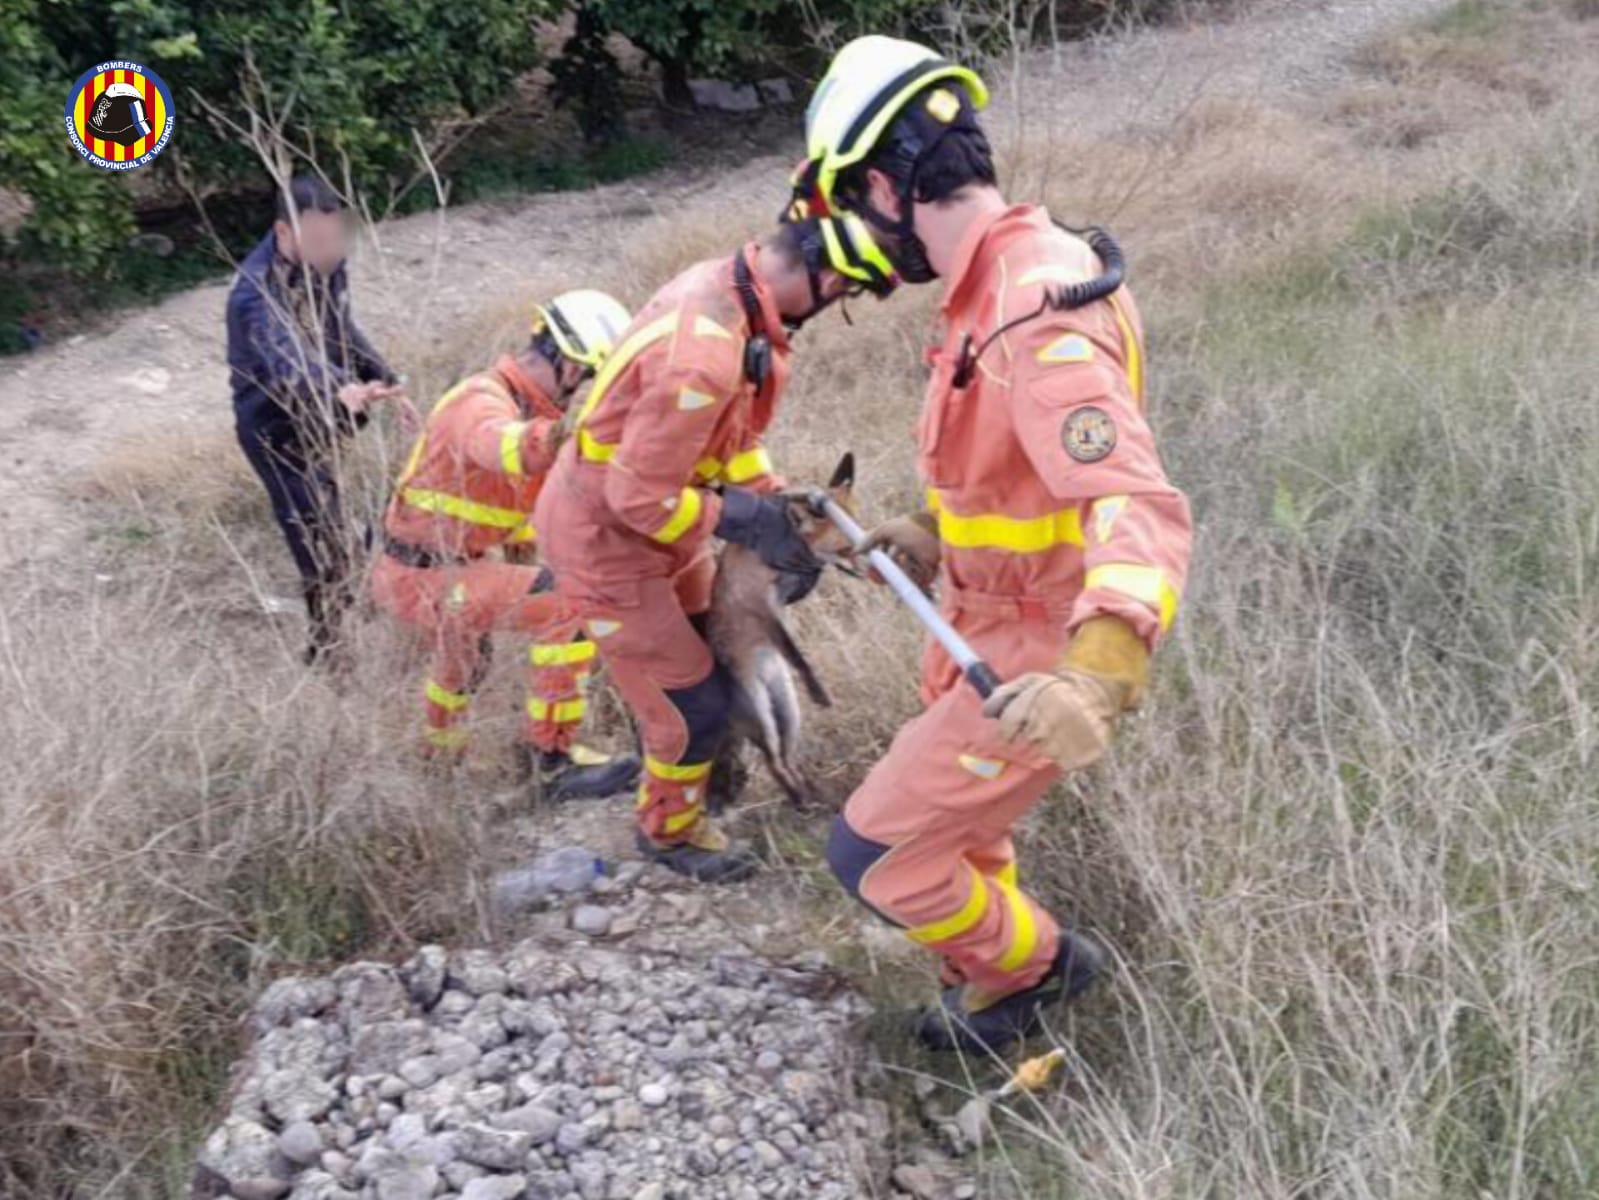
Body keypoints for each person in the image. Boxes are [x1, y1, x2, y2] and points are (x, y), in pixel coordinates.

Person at [796, 36, 1194, 1052]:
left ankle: (1037, 969)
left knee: (875, 854)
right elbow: (1024, 471)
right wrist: (933, 536)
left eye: (857, 210)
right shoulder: (1007, 274)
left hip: (1032, 651)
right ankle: (995, 996)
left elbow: (1132, 502)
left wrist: (1098, 672)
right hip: (980, 620)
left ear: (886, 186)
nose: (868, 244)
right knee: (969, 837)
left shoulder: (1028, 314)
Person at [532, 211, 887, 883]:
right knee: (688, 700)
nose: (837, 306)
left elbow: (731, 439)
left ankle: (699, 778)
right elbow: (635, 499)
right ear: (828, 275)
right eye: (843, 295)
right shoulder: (703, 353)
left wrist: (775, 504)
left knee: (713, 657)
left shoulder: (733, 296)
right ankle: (667, 831)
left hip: (660, 521)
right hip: (605, 539)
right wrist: (742, 516)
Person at [371, 291, 641, 802]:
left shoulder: (521, 407)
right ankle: (550, 762)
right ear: (568, 363)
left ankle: (438, 753)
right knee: (571, 605)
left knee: (465, 660)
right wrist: (577, 432)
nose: (588, 393)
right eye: (590, 379)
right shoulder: (481, 402)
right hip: (422, 577)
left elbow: (522, 523)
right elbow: (503, 447)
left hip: (440, 570)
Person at [226, 175, 413, 665]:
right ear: (284, 234)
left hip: (323, 416)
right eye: (318, 242)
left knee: (341, 513)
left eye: (335, 239)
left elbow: (337, 327)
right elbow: (287, 358)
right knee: (314, 539)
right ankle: (327, 650)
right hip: (274, 432)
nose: (331, 252)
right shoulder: (253, 294)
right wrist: (339, 386)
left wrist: (384, 375)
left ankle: (355, 594)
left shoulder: (328, 264)